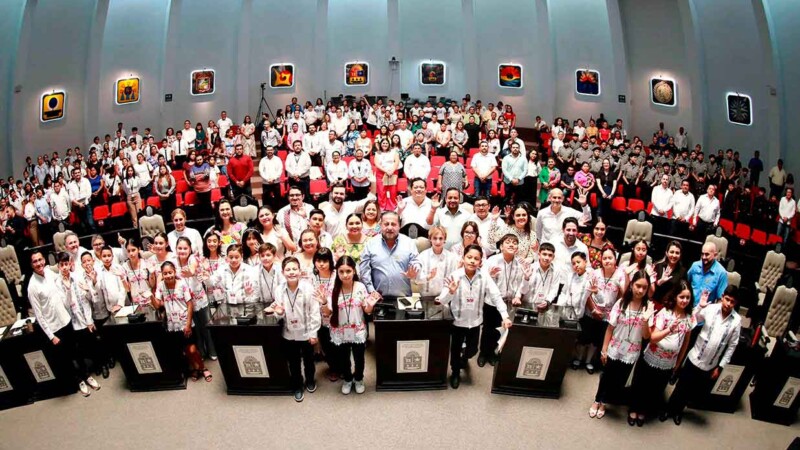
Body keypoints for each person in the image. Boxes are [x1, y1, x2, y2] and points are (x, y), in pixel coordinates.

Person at [664, 286, 741, 425]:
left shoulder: (737, 320)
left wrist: (720, 367)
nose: (728, 304)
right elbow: (692, 318)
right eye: (727, 299)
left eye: (732, 302)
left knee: (691, 390)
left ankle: (679, 411)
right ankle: (669, 409)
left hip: (710, 364)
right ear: (722, 297)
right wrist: (700, 305)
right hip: (695, 357)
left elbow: (732, 346)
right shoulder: (711, 309)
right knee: (681, 386)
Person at [439, 244, 512, 388]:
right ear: (463, 258)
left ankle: (465, 358)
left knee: (472, 350)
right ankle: (455, 372)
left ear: (481, 262)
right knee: (455, 349)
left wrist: (505, 315)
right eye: (469, 257)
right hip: (458, 322)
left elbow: (496, 295)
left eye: (476, 259)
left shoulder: (484, 276)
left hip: (476, 321)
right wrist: (451, 292)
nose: (472, 261)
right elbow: (442, 300)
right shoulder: (455, 275)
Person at [589, 270, 654, 420]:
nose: (640, 290)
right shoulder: (621, 302)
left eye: (644, 287)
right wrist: (604, 350)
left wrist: (645, 320)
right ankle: (596, 400)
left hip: (631, 351)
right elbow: (610, 328)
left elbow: (646, 336)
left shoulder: (647, 307)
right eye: (638, 286)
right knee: (606, 376)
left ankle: (604, 402)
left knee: (618, 379)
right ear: (631, 285)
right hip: (615, 347)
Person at [630, 280, 694, 426]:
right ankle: (634, 409)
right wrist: (669, 330)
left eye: (687, 298)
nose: (684, 301)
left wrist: (678, 363)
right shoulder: (665, 313)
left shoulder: (690, 317)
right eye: (681, 297)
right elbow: (652, 338)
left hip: (669, 362)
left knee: (656, 388)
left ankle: (643, 411)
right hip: (652, 357)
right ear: (675, 297)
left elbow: (685, 342)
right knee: (642, 385)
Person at [321, 256, 376, 395]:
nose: (345, 275)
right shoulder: (333, 290)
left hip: (357, 330)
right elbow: (327, 313)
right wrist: (323, 302)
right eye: (341, 271)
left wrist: (370, 305)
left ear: (354, 271)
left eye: (348, 271)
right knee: (344, 359)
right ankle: (347, 379)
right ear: (337, 272)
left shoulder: (360, 287)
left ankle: (358, 379)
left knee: (359, 358)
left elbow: (366, 310)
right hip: (340, 331)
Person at [269, 257, 321, 402]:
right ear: (283, 272)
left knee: (309, 361)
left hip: (306, 333)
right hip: (289, 333)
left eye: (294, 269)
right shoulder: (279, 289)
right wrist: (278, 312)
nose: (291, 272)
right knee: (293, 362)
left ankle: (310, 380)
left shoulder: (308, 288)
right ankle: (297, 385)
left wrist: (313, 333)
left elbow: (314, 312)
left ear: (299, 271)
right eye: (288, 269)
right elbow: (278, 312)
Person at [153, 261, 212, 382]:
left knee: (192, 349)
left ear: (174, 271)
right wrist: (150, 296)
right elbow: (158, 305)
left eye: (170, 272)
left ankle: (203, 367)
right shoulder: (160, 286)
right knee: (185, 350)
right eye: (165, 273)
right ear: (162, 275)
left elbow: (190, 304)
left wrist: (188, 324)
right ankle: (195, 369)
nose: (168, 275)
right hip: (172, 325)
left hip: (186, 323)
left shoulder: (182, 284)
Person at [481, 234, 531, 366]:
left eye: (514, 243)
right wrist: (490, 276)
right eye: (508, 242)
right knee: (488, 329)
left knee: (501, 330)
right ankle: (483, 353)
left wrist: (518, 294)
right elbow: (483, 281)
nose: (511, 245)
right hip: (491, 302)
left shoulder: (521, 263)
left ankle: (493, 353)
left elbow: (522, 284)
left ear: (517, 248)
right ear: (501, 246)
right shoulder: (492, 261)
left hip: (509, 303)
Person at [359, 211, 420, 300]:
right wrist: (371, 290)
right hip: (378, 298)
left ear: (399, 226)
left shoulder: (409, 243)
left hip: (404, 298)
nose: (390, 227)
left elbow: (416, 261)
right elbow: (364, 270)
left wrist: (414, 270)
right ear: (380, 225)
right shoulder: (371, 244)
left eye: (393, 224)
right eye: (386, 224)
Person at [686, 242, 728, 307]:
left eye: (707, 254)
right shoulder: (695, 266)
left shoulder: (721, 273)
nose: (703, 257)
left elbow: (720, 300)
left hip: (706, 311)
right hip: (688, 306)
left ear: (715, 255)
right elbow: (685, 284)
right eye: (702, 254)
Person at [650, 241, 687, 307]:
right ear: (666, 253)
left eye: (677, 253)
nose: (674, 255)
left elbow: (681, 291)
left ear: (680, 255)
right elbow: (650, 290)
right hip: (655, 303)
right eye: (671, 252)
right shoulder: (658, 266)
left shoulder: (683, 271)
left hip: (671, 306)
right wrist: (659, 283)